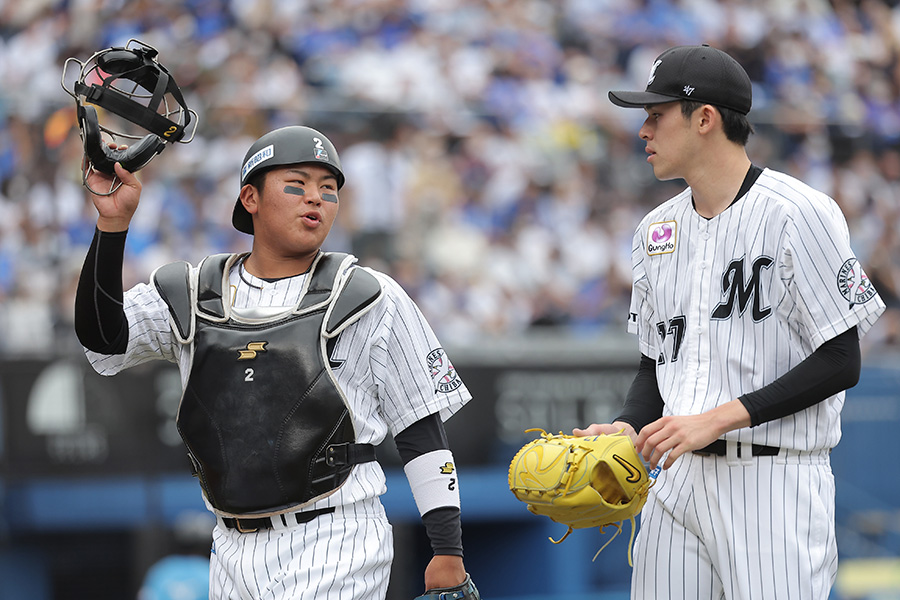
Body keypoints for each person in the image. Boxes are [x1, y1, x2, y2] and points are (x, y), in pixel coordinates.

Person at [74, 125, 478, 599]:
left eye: (329, 189)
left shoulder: (369, 295)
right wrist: (112, 227)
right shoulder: (191, 291)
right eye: (296, 184)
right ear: (251, 197)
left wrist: (447, 550)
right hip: (230, 548)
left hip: (338, 536)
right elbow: (103, 339)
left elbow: (420, 429)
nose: (316, 198)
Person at [575, 44, 885, 600]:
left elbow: (842, 360)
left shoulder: (799, 212)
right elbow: (655, 365)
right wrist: (627, 425)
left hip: (773, 482)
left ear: (704, 119)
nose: (643, 131)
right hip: (679, 483)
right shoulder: (654, 231)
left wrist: (717, 419)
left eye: (655, 114)